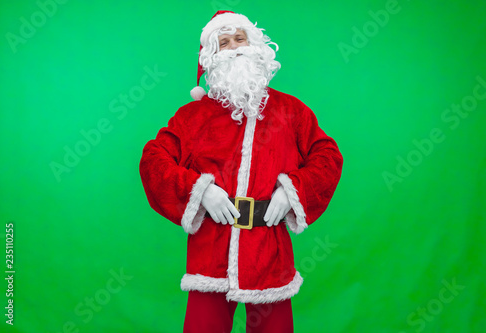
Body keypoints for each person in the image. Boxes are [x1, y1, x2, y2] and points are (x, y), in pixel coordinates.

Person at [139, 10, 343, 333]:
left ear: (255, 45)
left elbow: (327, 156)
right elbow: (153, 160)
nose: (234, 47)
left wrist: (293, 192)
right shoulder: (193, 117)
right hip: (210, 252)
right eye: (224, 42)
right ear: (212, 56)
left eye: (239, 39)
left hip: (269, 252)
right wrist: (200, 190)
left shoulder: (291, 111)